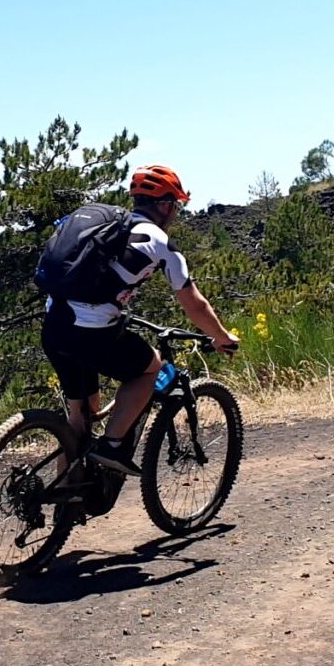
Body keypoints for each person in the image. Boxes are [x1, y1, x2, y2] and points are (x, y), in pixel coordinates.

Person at [41, 164, 238, 477]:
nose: (176, 213)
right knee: (151, 368)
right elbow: (194, 304)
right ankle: (112, 445)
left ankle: (67, 493)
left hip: (55, 325)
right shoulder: (160, 242)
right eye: (176, 206)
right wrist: (220, 336)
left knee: (83, 415)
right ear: (165, 206)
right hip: (91, 333)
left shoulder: (109, 227)